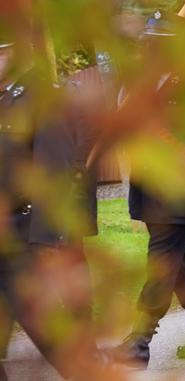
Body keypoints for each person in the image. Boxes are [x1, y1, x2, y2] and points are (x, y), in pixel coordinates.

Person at [113, 11, 185, 369]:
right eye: (149, 41)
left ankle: (140, 341)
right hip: (150, 190)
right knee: (181, 260)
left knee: (161, 264)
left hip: (180, 192)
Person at [0, 34, 110, 380]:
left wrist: (47, 239)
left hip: (24, 235)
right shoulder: (6, 99)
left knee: (47, 332)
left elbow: (54, 171)